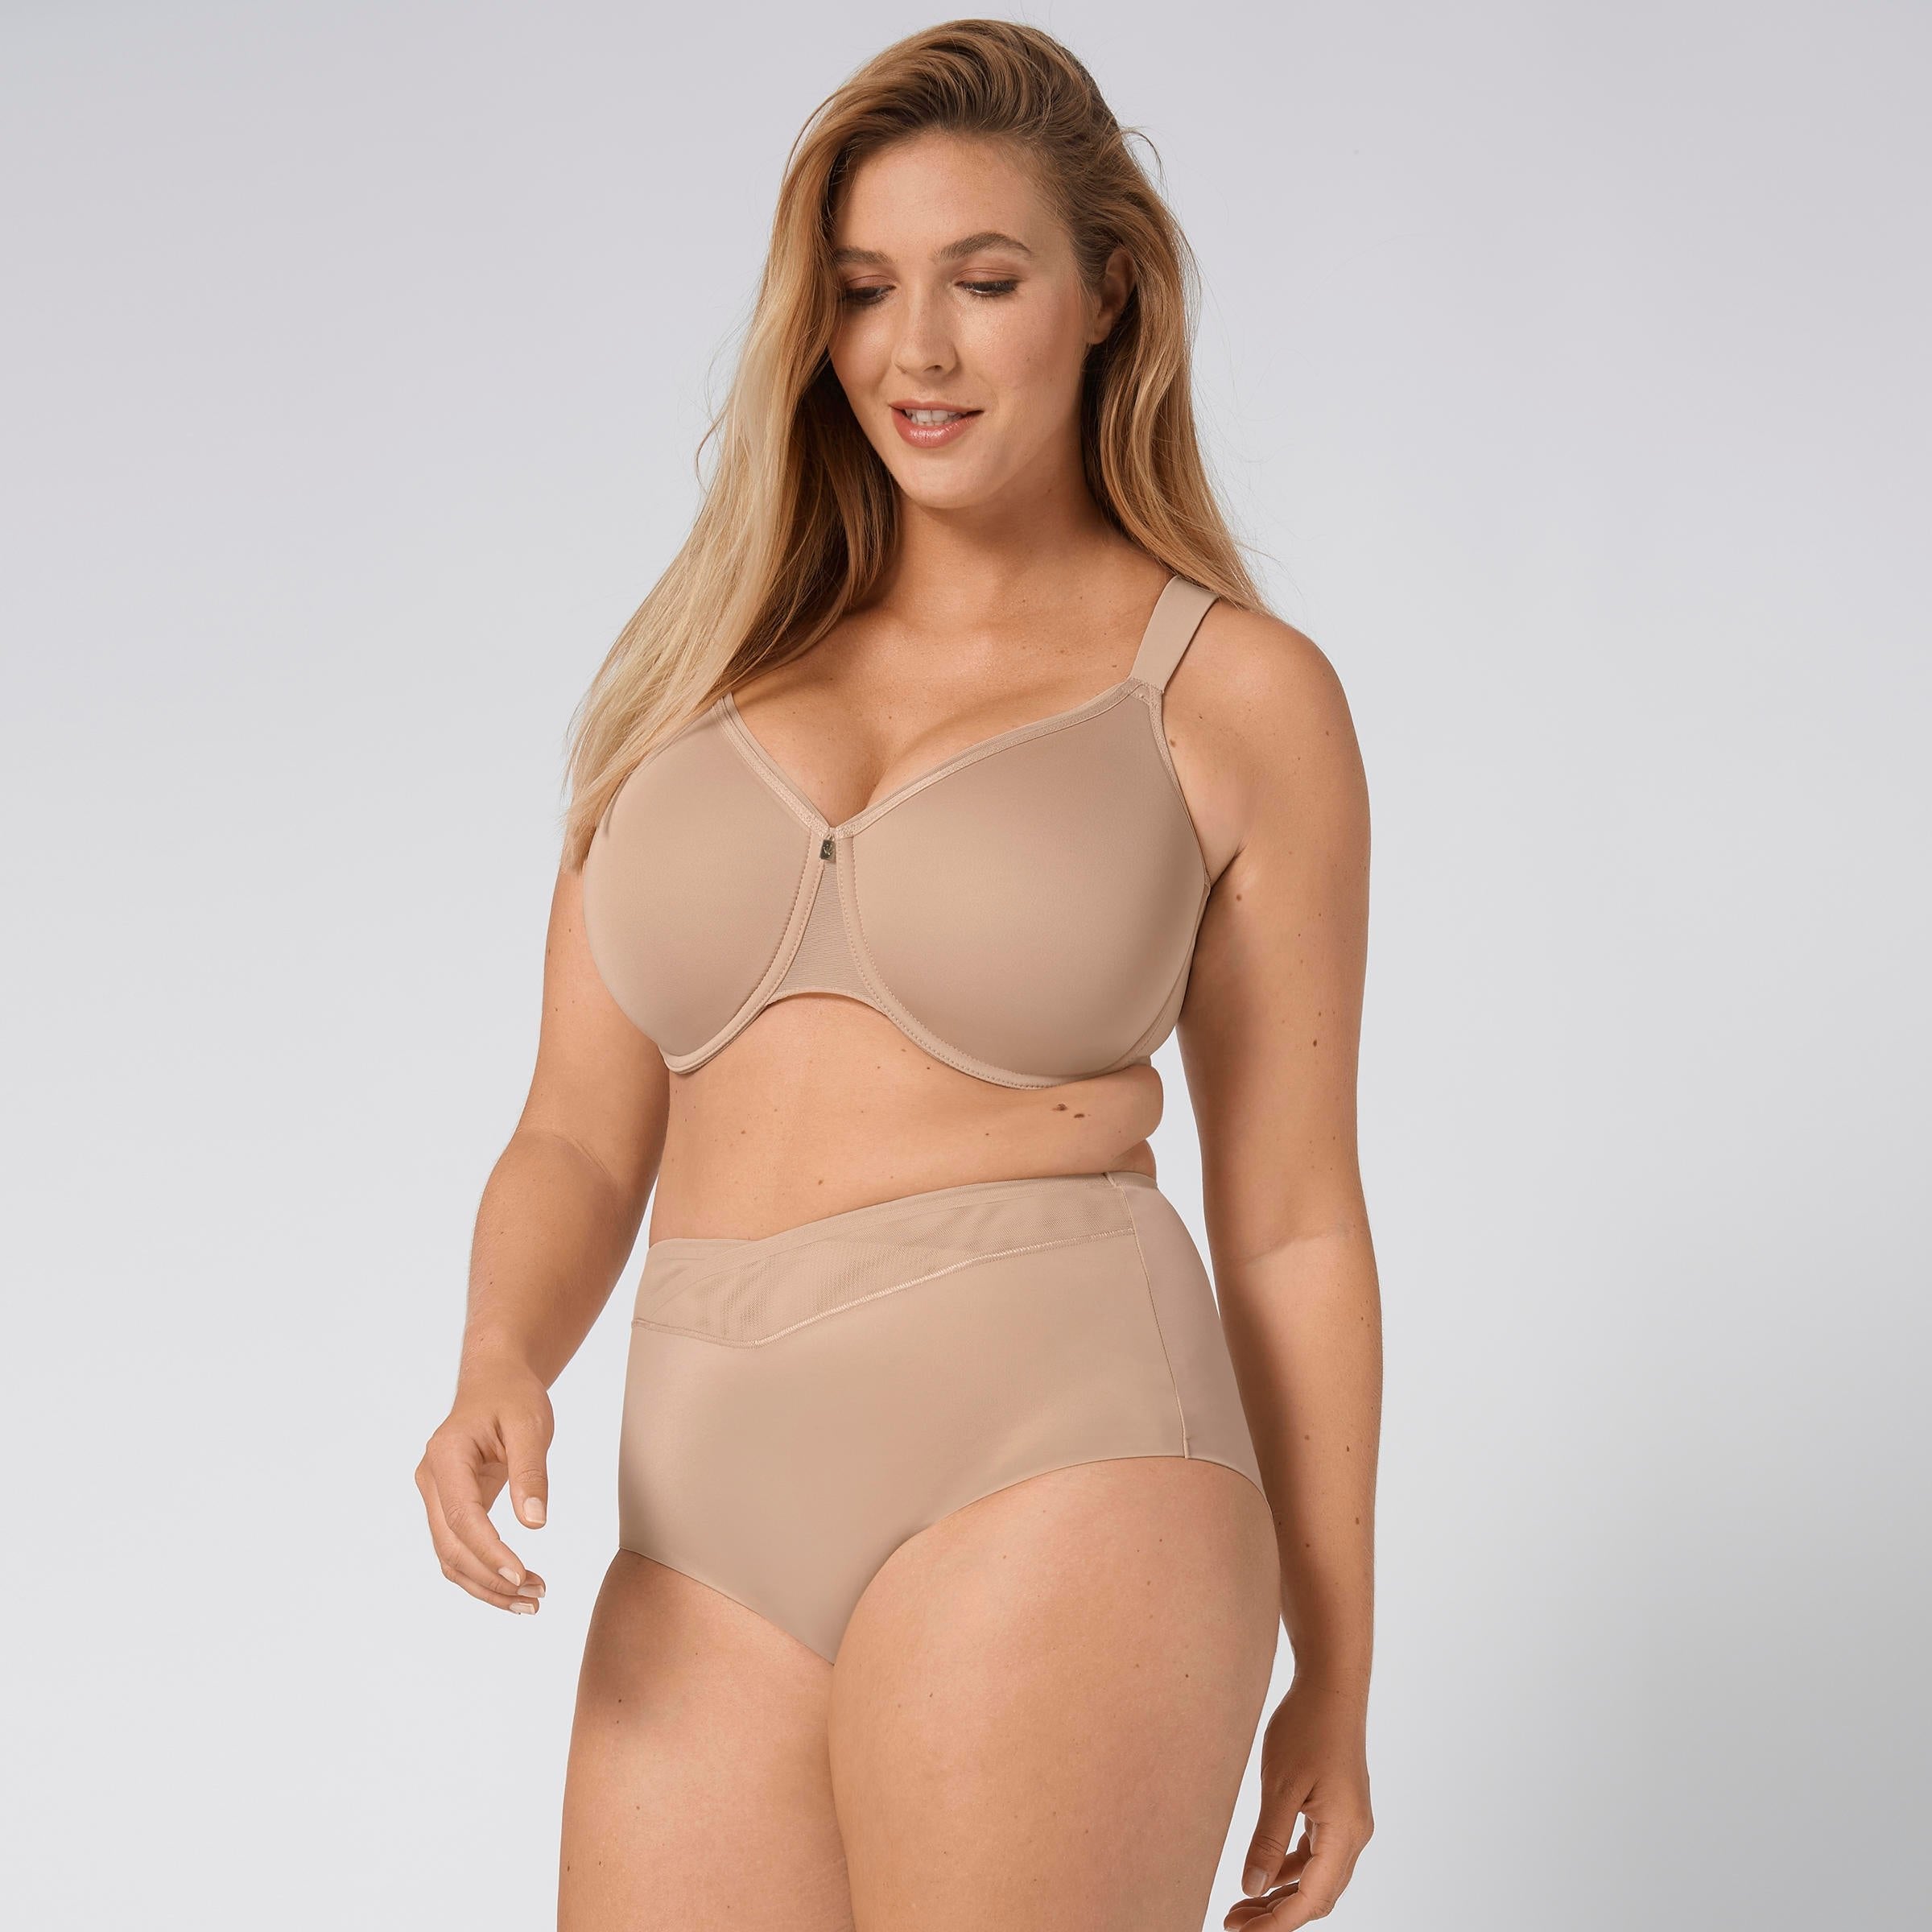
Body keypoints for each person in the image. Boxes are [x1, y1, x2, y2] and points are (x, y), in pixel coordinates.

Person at [415, 20, 1380, 1930]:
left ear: (1111, 294)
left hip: (1065, 1459)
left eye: (984, 282)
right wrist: (499, 1351)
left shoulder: (1232, 697)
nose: (915, 351)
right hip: (699, 1536)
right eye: (863, 291)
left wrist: (1335, 1682)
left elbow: (1292, 1228)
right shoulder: (688, 680)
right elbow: (577, 1134)